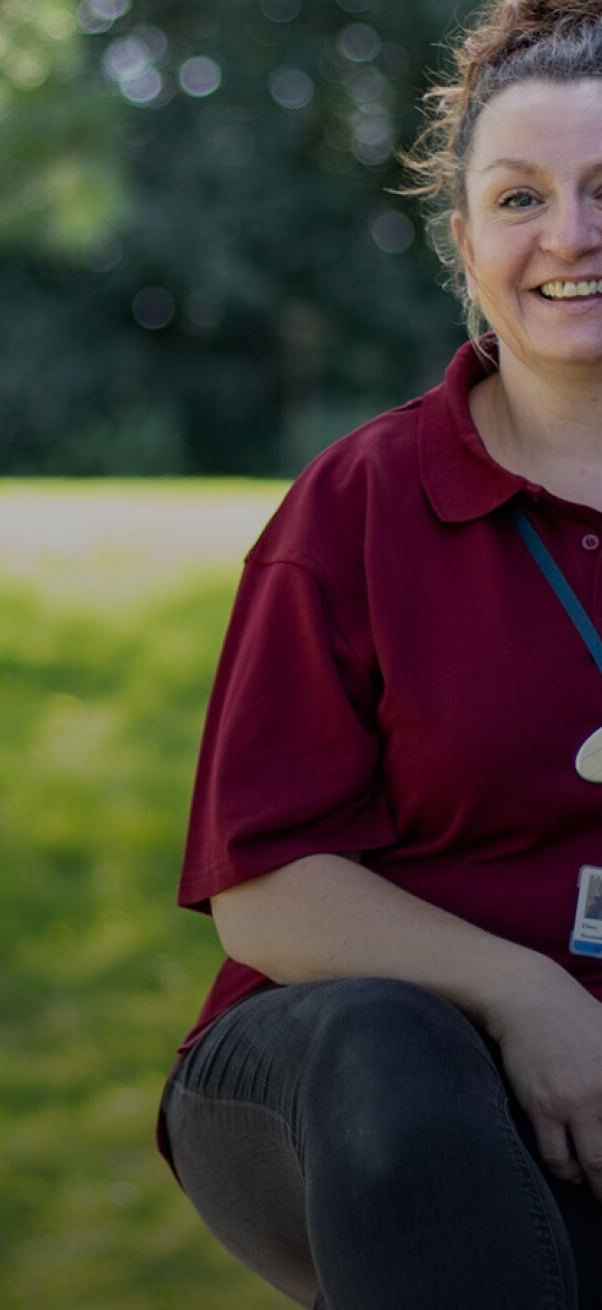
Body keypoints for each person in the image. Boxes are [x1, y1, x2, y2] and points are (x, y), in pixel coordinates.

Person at [157, 1, 602, 1306]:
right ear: (464, 244)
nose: (567, 234)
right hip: (350, 1096)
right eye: (519, 197)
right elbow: (268, 884)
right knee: (392, 1043)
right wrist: (526, 1000)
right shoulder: (353, 505)